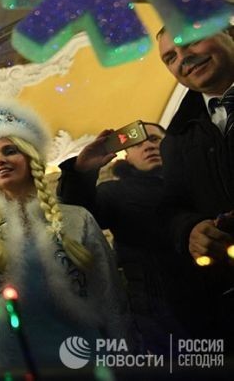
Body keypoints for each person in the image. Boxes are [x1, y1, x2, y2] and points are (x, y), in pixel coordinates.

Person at [0, 97, 130, 371]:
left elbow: (109, 295)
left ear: (30, 157)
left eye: (9, 150)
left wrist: (122, 357)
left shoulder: (78, 218)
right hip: (18, 358)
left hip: (83, 354)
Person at [57, 123, 193, 353]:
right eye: (137, 144)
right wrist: (81, 172)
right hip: (160, 315)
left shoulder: (198, 181)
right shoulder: (116, 193)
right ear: (127, 157)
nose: (148, 146)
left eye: (154, 139)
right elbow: (76, 215)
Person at [156, 27, 234, 341]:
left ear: (228, 30)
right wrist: (190, 230)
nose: (184, 58)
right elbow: (172, 208)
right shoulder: (175, 139)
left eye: (190, 40)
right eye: (170, 57)